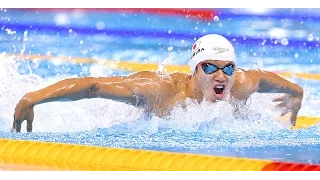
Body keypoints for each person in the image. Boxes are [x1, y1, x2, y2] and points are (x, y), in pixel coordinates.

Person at [11, 34, 304, 133]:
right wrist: (33, 97)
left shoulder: (238, 84)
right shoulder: (161, 90)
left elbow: (263, 78)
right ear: (194, 70)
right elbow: (93, 86)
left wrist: (297, 92)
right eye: (211, 67)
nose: (221, 76)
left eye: (228, 67)